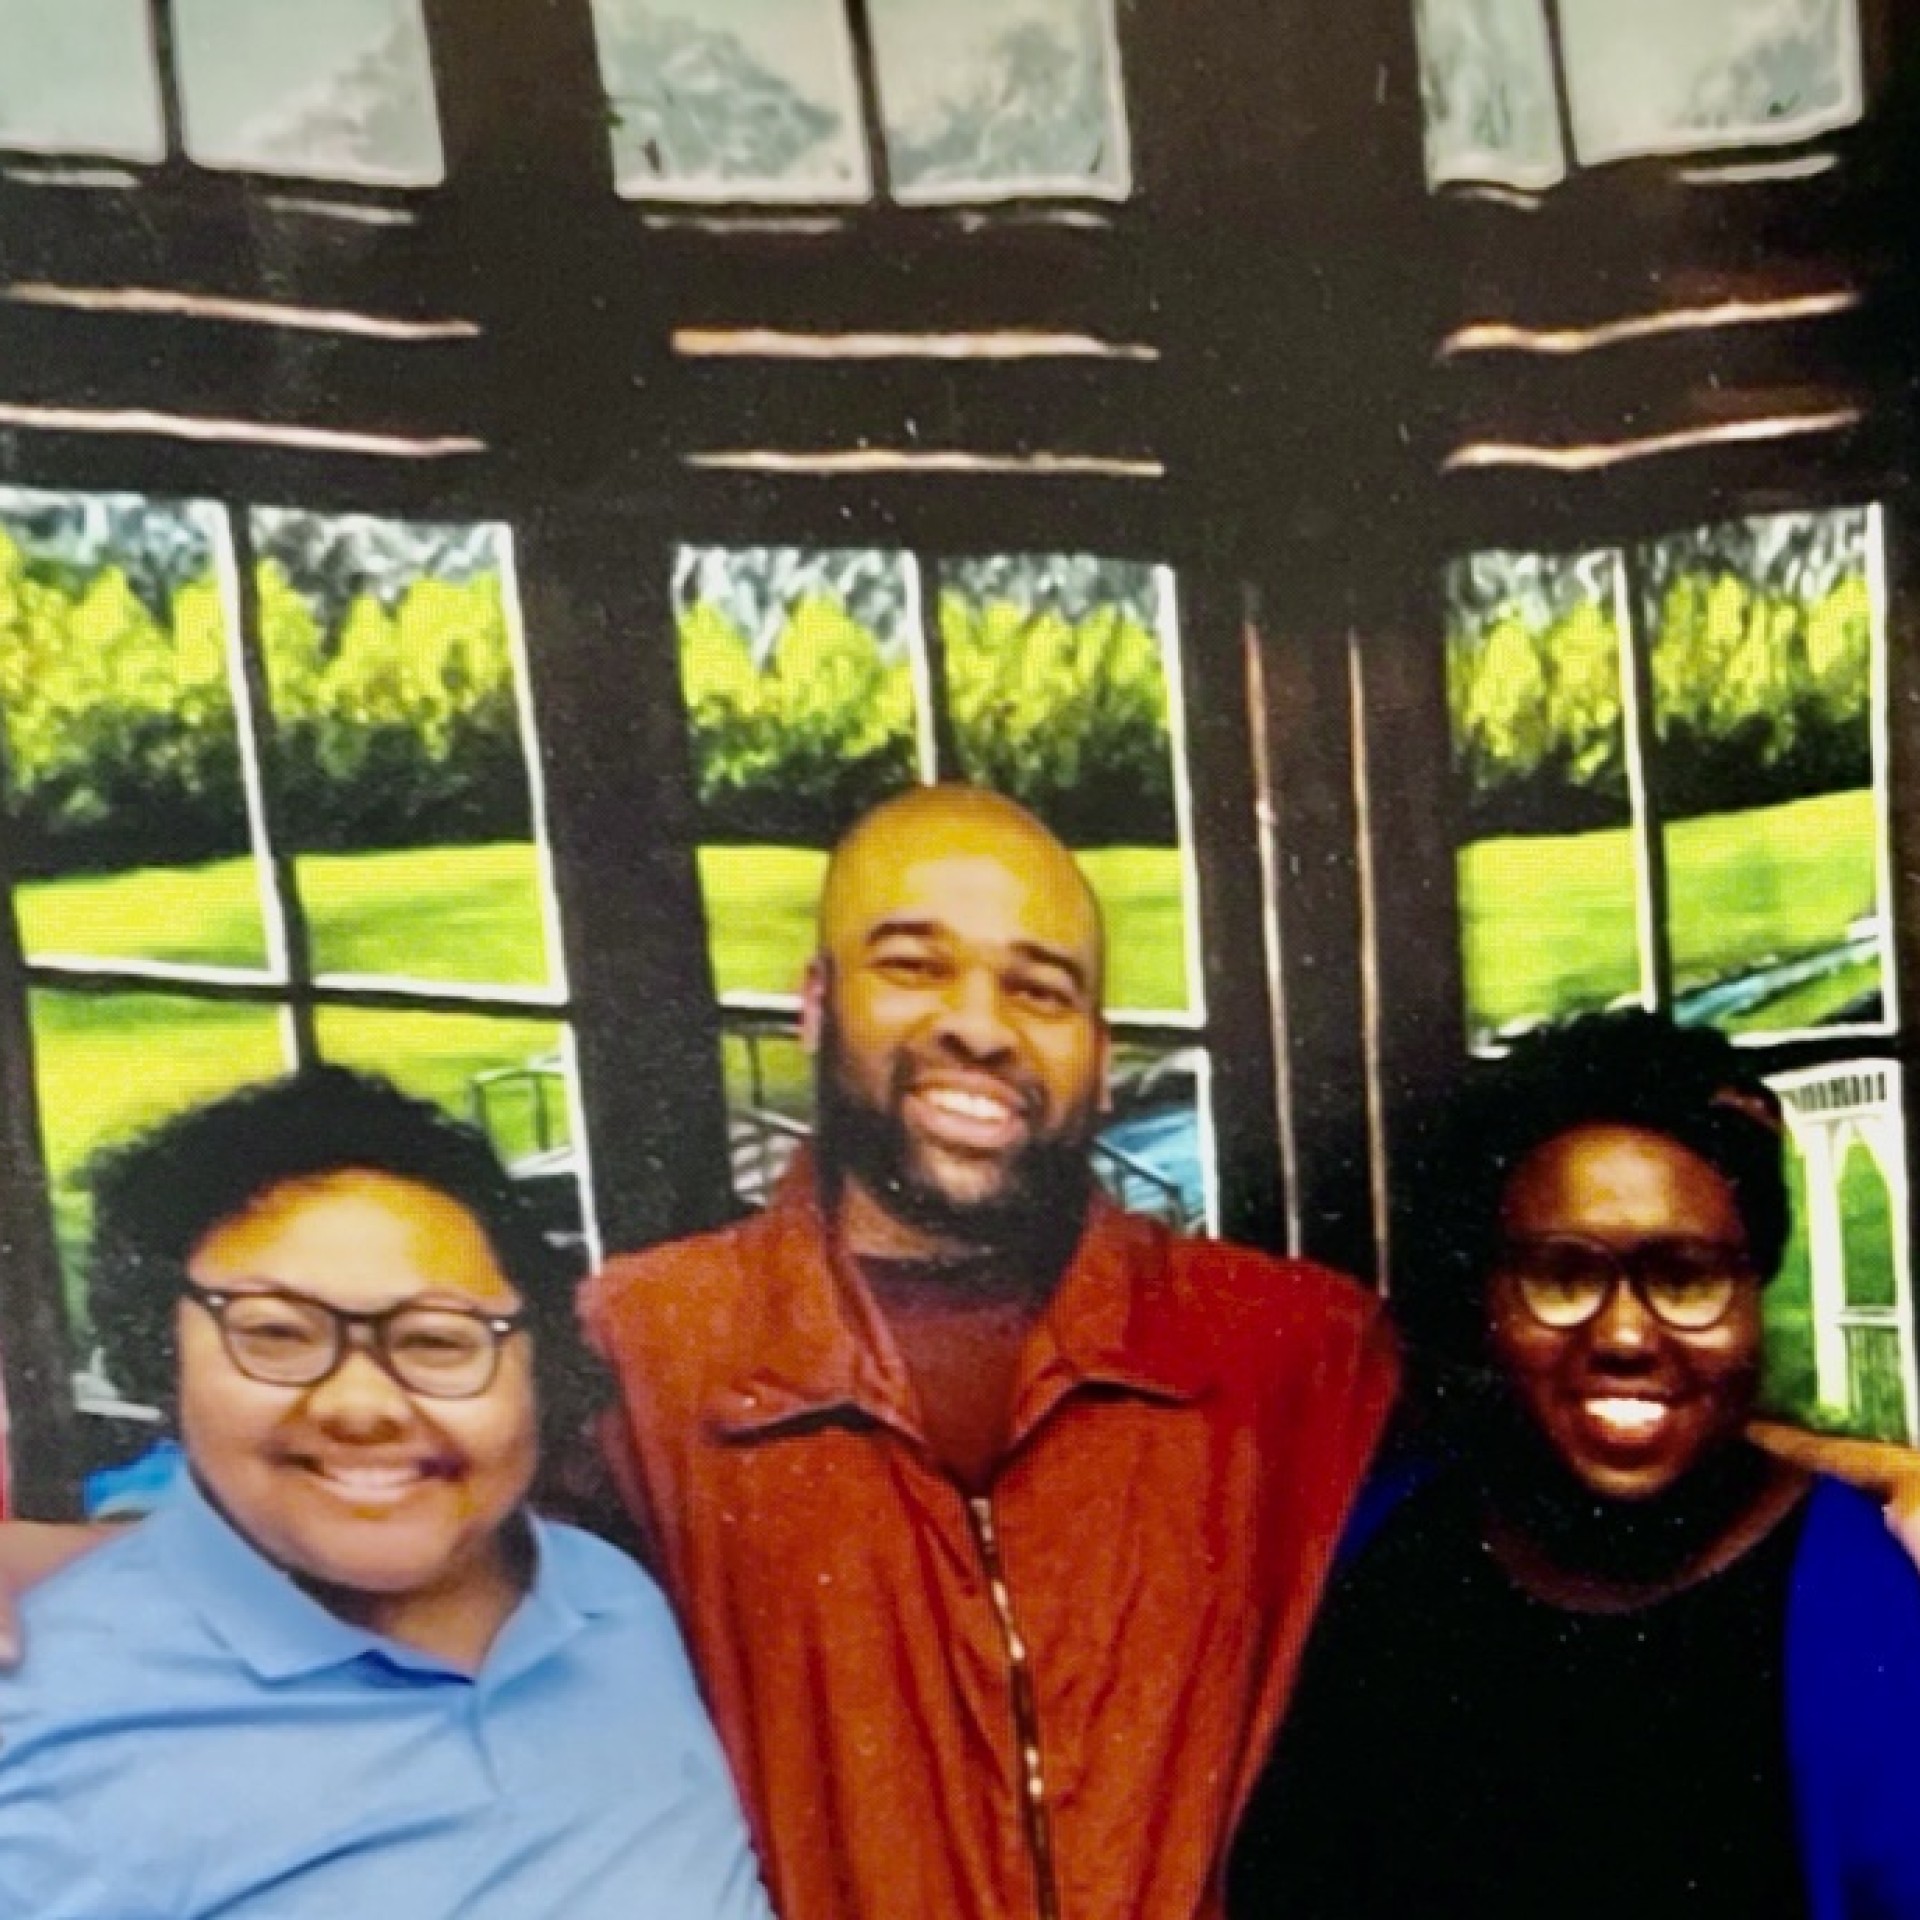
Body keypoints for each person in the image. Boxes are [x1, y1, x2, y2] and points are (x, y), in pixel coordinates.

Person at [583, 784, 1400, 1919]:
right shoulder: (637, 1355)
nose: (981, 1025)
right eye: (914, 965)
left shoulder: (1294, 1345)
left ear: (1101, 1057)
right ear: (814, 1008)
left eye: (1040, 988)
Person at [0, 1069, 770, 1920]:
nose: (361, 1405)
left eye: (437, 1341)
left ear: (537, 1372)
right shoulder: (40, 1710)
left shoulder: (611, 1599)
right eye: (276, 1335)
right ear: (163, 1360)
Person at [1228, 1011, 1920, 1920]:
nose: (1626, 1334)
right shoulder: (1375, 1553)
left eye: (1686, 1276)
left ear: (1755, 1295)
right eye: (1560, 1275)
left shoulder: (1875, 1607)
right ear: (1489, 1300)